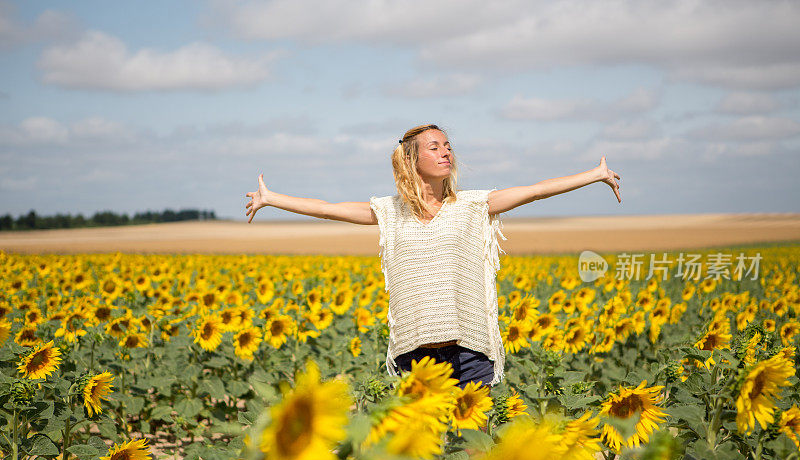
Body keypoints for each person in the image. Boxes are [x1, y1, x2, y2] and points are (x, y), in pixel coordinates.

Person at [245, 124, 621, 389]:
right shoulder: (389, 211)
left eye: (448, 146)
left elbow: (537, 191)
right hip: (416, 354)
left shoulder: (474, 205)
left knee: (472, 449)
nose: (445, 152)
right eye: (434, 147)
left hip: (470, 349)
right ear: (412, 159)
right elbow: (327, 208)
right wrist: (272, 198)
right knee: (426, 455)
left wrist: (594, 174)